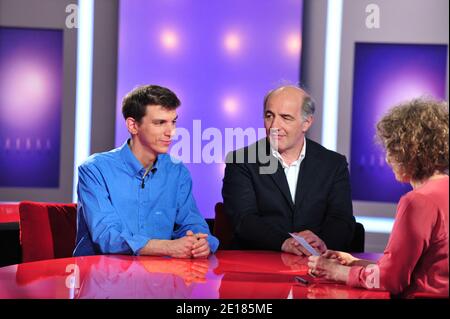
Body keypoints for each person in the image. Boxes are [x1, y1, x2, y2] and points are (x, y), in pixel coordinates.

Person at [308, 98, 449, 298]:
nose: (387, 158)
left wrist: (336, 271)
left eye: (392, 148)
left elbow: (391, 280)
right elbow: (418, 268)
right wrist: (355, 263)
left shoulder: (418, 201)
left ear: (411, 150)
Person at [73, 85, 219, 258]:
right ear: (133, 125)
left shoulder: (177, 171)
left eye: (173, 122)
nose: (171, 132)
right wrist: (168, 247)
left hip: (159, 278)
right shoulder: (94, 169)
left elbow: (192, 223)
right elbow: (107, 237)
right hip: (102, 276)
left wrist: (201, 242)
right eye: (160, 123)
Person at [222, 85, 355, 255]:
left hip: (316, 265)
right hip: (260, 264)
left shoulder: (333, 164)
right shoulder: (241, 161)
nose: (274, 126)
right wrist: (284, 242)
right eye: (269, 116)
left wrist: (321, 242)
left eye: (286, 118)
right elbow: (244, 220)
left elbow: (342, 220)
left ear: (306, 123)